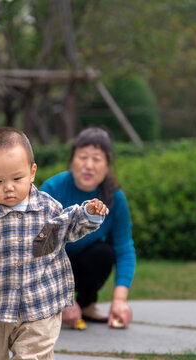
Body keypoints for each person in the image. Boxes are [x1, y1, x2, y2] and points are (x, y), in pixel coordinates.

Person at [0, 127, 109, 360]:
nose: (8, 187)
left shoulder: (47, 209)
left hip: (39, 306)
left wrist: (88, 214)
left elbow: (69, 225)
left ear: (32, 172)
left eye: (17, 178)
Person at [40, 127, 136, 330]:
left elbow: (124, 249)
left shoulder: (115, 199)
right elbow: (40, 249)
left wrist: (120, 300)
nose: (89, 166)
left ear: (107, 165)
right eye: (83, 157)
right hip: (47, 266)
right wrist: (61, 297)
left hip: (82, 263)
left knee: (103, 254)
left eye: (97, 159)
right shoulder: (52, 189)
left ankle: (85, 304)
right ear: (72, 160)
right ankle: (53, 304)